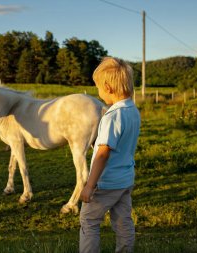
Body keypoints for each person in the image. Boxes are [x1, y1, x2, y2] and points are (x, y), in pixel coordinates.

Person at [79, 57, 141, 253]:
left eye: (98, 87)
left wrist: (90, 185)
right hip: (125, 180)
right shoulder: (133, 111)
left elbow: (103, 153)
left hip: (107, 183)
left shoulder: (113, 116)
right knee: (123, 221)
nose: (98, 92)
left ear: (108, 87)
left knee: (88, 220)